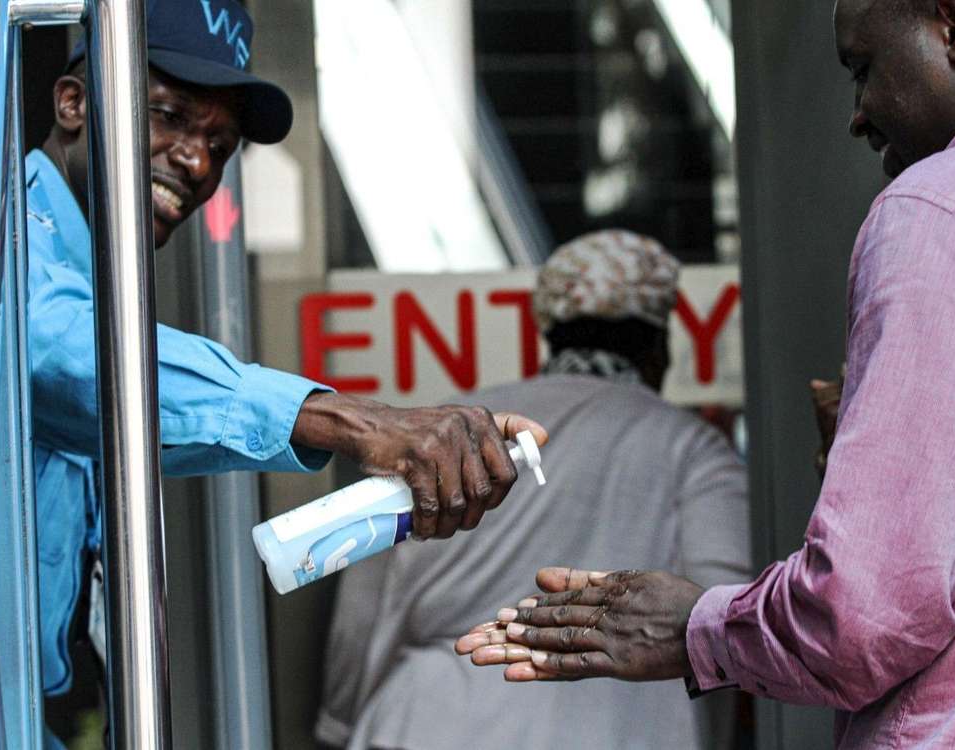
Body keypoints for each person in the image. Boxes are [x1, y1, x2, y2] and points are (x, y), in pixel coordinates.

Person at [458, 1, 955, 746]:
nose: (857, 116)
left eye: (863, 69)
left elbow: (865, 615)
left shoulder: (940, 213)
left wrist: (693, 627)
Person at [24, 0, 545, 739]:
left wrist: (367, 433)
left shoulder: (94, 280)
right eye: (168, 115)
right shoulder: (8, 233)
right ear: (74, 103)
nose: (198, 162)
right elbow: (61, 356)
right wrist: (351, 421)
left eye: (219, 142)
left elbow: (136, 412)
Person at [317, 231, 752, 750]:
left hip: (427, 723)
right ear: (660, 346)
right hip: (618, 728)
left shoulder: (451, 427)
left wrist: (338, 725)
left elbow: (362, 603)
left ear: (551, 333)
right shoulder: (692, 448)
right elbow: (720, 614)